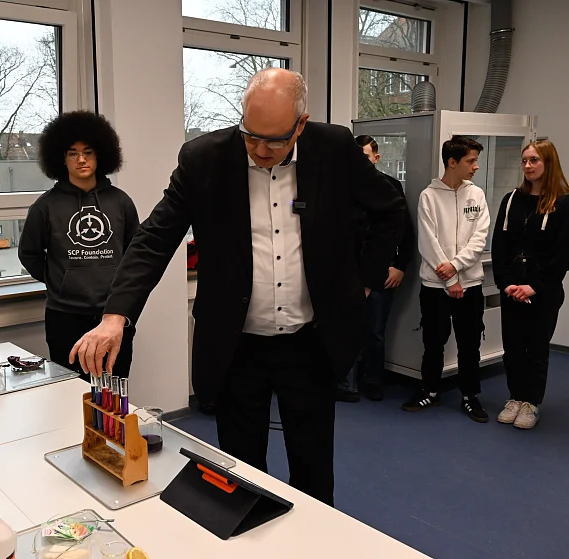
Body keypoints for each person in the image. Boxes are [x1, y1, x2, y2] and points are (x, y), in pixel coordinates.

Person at [68, 69, 406, 506]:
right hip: (236, 344)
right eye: (251, 136)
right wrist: (116, 315)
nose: (261, 150)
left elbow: (390, 210)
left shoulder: (334, 147)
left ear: (300, 125)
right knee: (241, 472)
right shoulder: (204, 157)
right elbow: (155, 237)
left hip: (311, 341)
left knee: (313, 464)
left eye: (276, 140)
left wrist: (362, 281)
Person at [18, 110, 140, 382]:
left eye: (88, 151)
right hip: (65, 316)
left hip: (113, 314)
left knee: (114, 389)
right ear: (62, 158)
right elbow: (29, 254)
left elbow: (136, 256)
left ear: (101, 155)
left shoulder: (121, 202)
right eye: (72, 153)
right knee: (70, 392)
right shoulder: (45, 206)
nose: (81, 159)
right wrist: (58, 280)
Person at [403, 136, 490, 422]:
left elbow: (479, 238)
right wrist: (448, 278)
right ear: (452, 162)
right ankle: (429, 390)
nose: (476, 166)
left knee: (469, 343)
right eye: (471, 161)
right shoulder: (429, 196)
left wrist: (455, 267)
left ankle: (470, 395)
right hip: (435, 285)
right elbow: (427, 241)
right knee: (434, 341)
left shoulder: (476, 195)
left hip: (470, 284)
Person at [492, 140, 569, 429]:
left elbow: (563, 254)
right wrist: (505, 283)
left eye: (534, 161)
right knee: (512, 347)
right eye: (524, 160)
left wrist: (536, 287)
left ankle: (531, 403)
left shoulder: (565, 203)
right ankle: (515, 397)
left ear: (548, 164)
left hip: (543, 289)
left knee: (536, 348)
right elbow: (499, 245)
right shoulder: (512, 200)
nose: (527, 166)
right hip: (511, 285)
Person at [337, 135, 415, 402]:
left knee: (375, 331)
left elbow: (404, 231)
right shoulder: (339, 188)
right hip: (347, 272)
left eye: (366, 158)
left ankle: (373, 380)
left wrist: (400, 266)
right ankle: (346, 384)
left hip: (383, 272)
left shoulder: (390, 187)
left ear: (377, 158)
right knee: (344, 329)